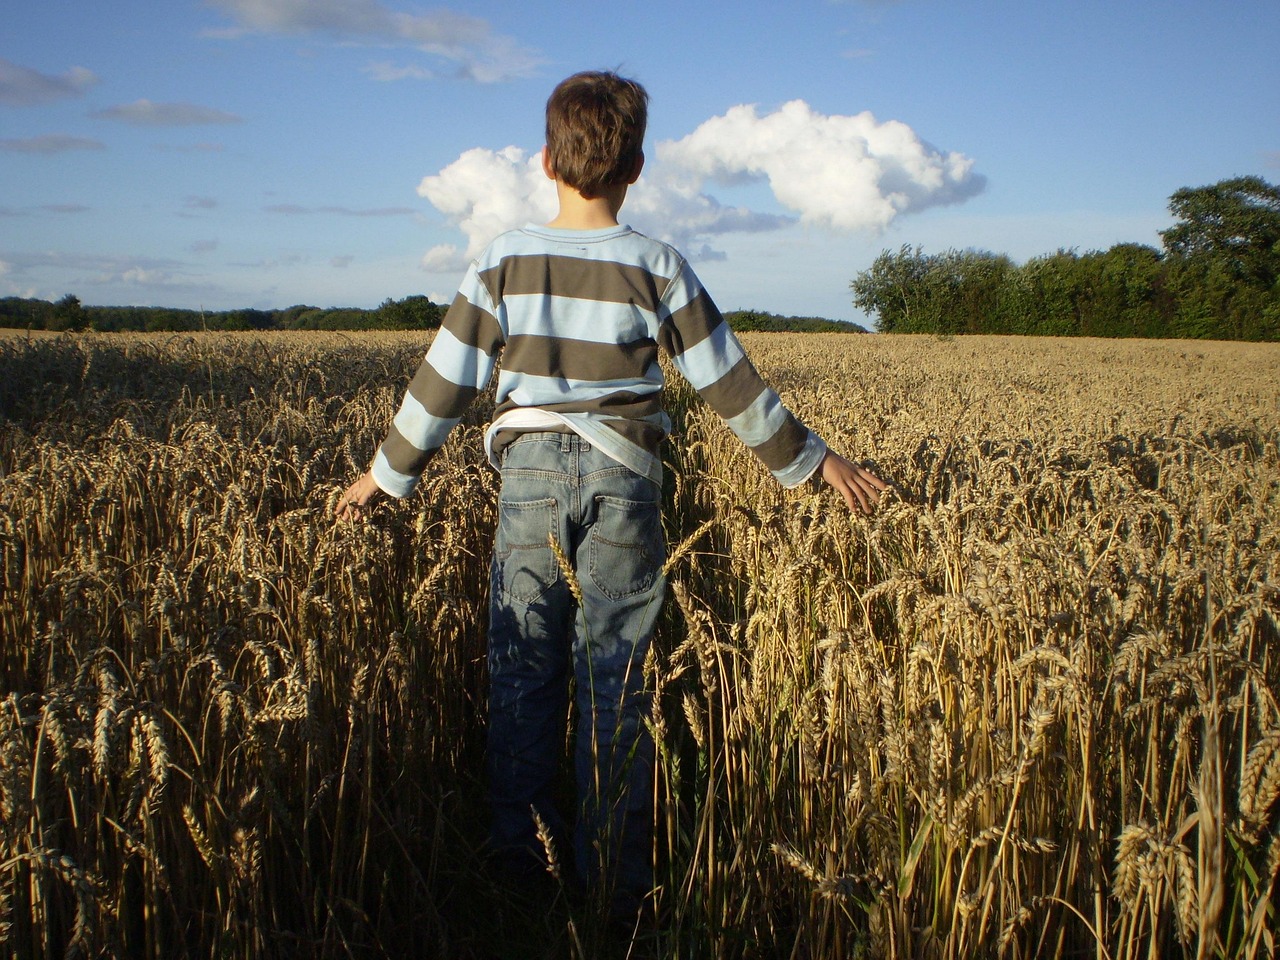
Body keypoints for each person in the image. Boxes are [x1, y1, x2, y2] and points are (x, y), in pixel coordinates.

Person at [337, 69, 887, 922]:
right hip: (627, 480)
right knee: (617, 674)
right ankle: (616, 882)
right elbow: (727, 382)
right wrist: (811, 460)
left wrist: (386, 473)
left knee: (523, 664)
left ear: (545, 160)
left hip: (526, 480)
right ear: (637, 165)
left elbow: (443, 381)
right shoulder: (656, 263)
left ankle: (519, 861)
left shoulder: (502, 260)